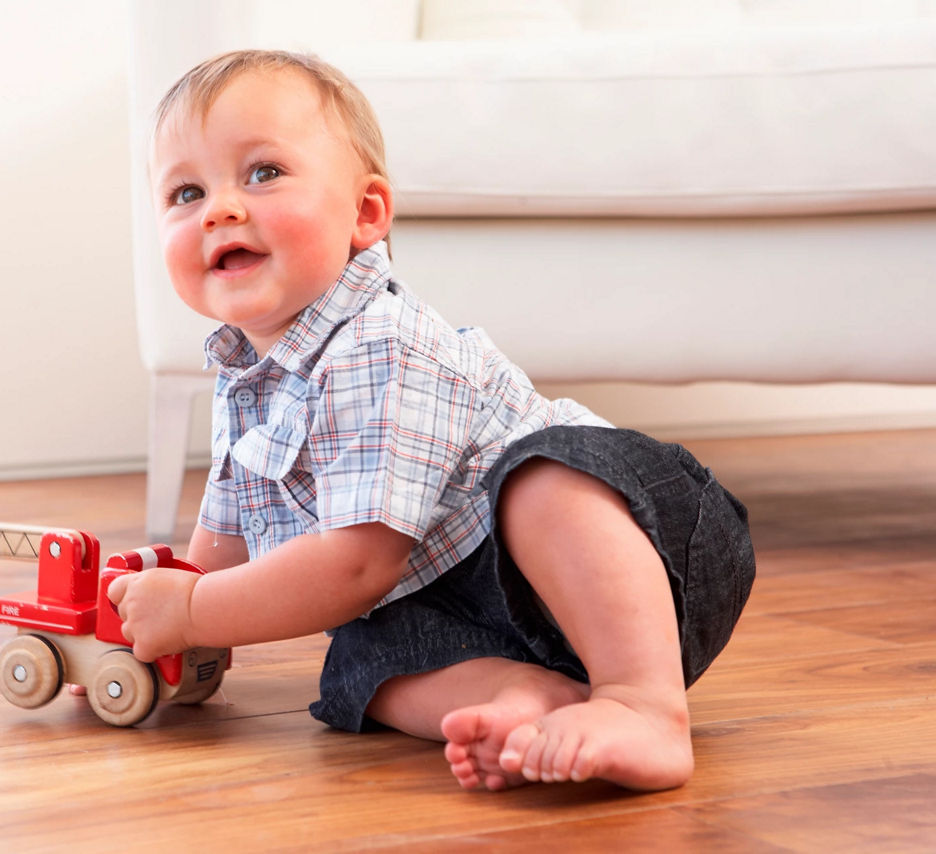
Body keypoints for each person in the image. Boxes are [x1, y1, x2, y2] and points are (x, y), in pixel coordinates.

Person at [107, 49, 755, 792]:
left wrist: (193, 613)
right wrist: (163, 626)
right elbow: (226, 543)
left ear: (366, 214)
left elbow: (357, 563)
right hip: (473, 604)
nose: (219, 207)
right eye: (186, 192)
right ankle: (531, 700)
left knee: (540, 480)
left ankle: (642, 701)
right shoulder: (243, 373)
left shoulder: (379, 339)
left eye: (263, 173)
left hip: (639, 552)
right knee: (360, 666)